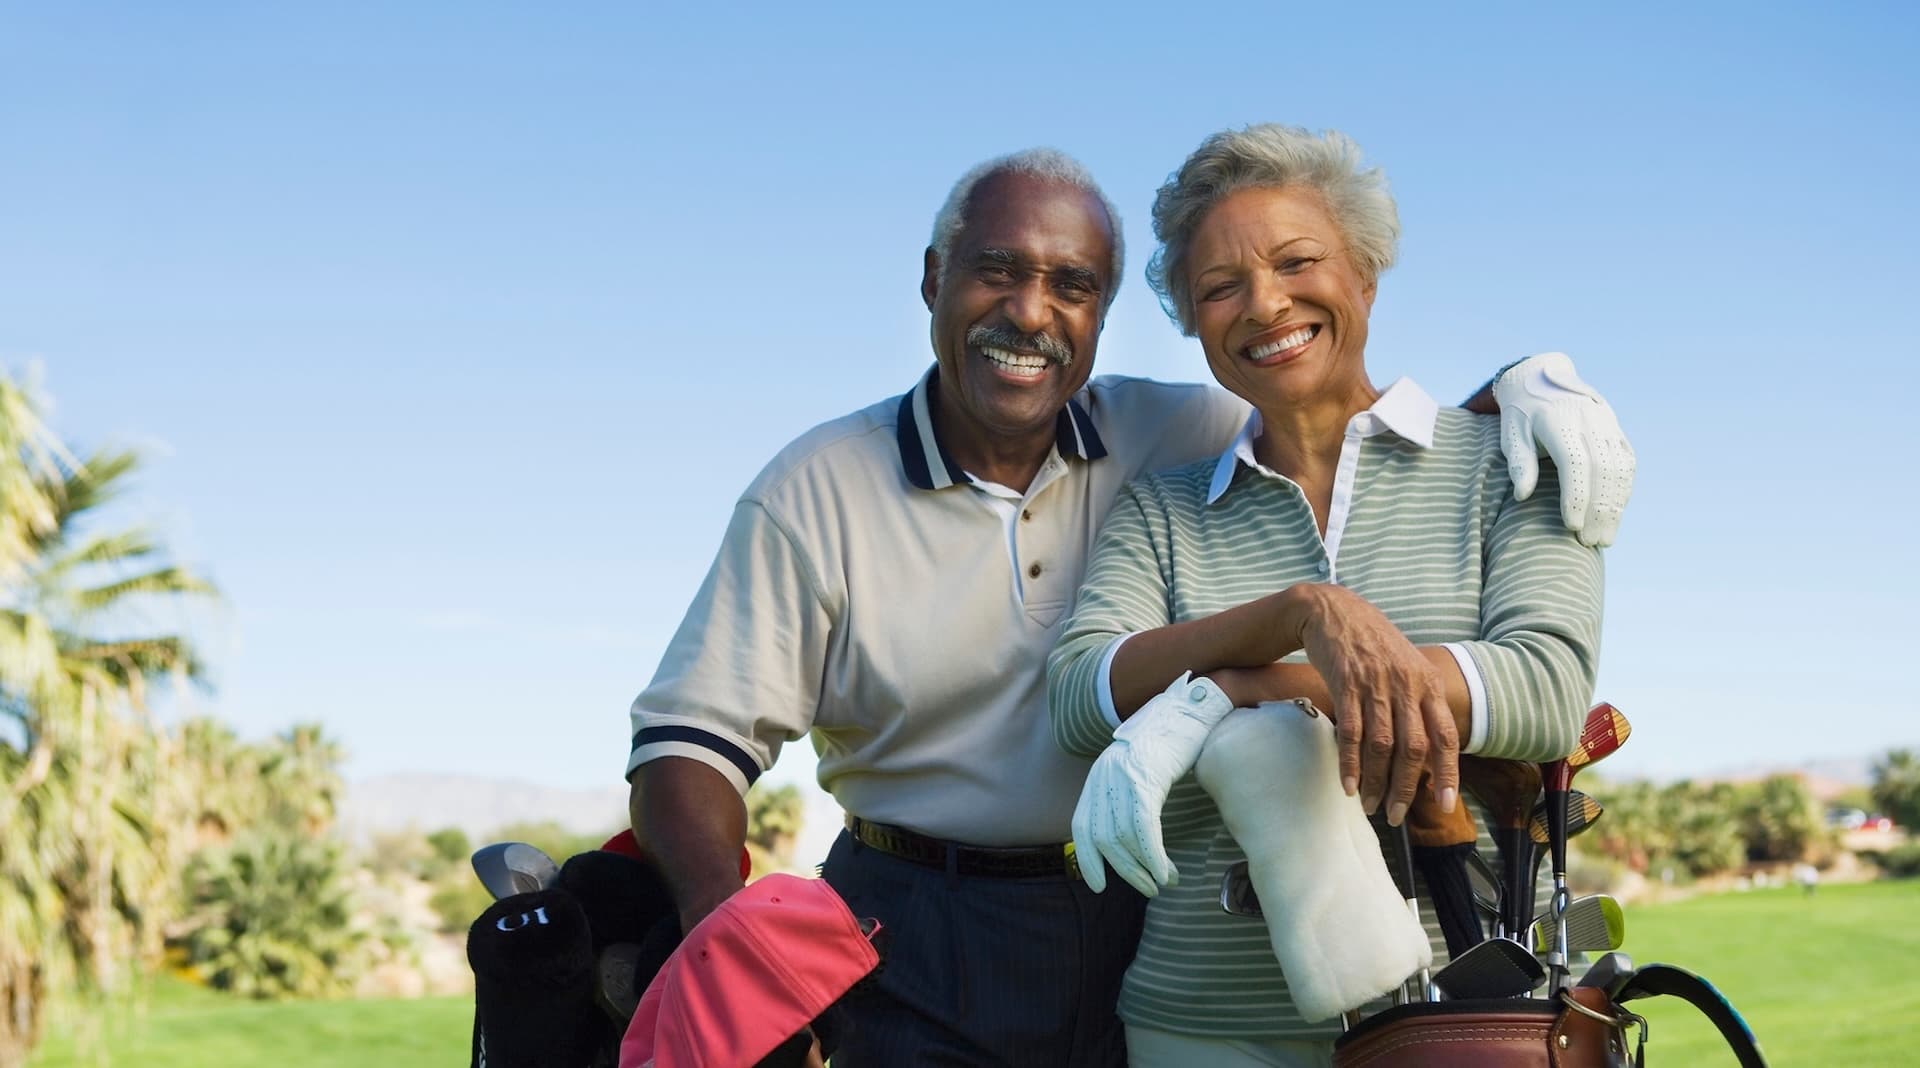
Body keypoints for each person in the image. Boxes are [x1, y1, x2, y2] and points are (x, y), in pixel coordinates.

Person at [626, 147, 1631, 1068]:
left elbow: (1347, 416)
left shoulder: (1177, 428)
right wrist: (725, 937)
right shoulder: (821, 486)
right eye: (996, 270)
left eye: (1072, 285)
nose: (1030, 312)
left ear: (1103, 316)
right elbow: (693, 739)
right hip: (915, 920)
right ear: (933, 279)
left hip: (1125, 907)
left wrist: (1528, 382)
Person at [1049, 124, 1607, 1067]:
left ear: (1365, 277)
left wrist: (1232, 691)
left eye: (1297, 261)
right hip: (1203, 1022)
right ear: (1192, 320)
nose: (1264, 304)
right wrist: (1301, 615)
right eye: (1219, 287)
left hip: (1458, 1015)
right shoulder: (1163, 509)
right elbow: (1079, 695)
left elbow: (1545, 692)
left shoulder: (1509, 462)